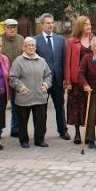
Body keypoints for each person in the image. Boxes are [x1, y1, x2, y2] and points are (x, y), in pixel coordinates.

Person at [9, 37, 52, 148]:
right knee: (23, 122)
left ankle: (40, 140)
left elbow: (48, 75)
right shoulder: (18, 61)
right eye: (28, 45)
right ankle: (24, 141)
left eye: (33, 45)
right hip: (24, 97)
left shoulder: (42, 61)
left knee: (41, 121)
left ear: (35, 47)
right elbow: (13, 78)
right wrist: (20, 86)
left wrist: (46, 84)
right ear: (24, 47)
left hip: (40, 96)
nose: (31, 47)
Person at [34, 13, 69, 141]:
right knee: (41, 108)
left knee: (60, 107)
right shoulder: (35, 40)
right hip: (43, 80)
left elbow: (64, 60)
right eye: (48, 23)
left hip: (58, 79)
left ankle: (63, 131)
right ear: (42, 25)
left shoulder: (60, 39)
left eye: (52, 23)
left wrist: (66, 78)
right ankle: (41, 134)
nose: (51, 25)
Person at [64, 16, 95, 144]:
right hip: (76, 80)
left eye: (90, 24)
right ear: (80, 26)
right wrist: (68, 82)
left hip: (90, 80)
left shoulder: (94, 40)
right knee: (76, 107)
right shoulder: (72, 42)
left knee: (89, 107)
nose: (89, 26)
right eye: (86, 24)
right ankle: (77, 133)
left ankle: (88, 135)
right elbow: (68, 63)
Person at [0, 18, 24, 138]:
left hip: (17, 78)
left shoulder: (21, 39)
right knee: (0, 106)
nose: (12, 29)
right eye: (10, 27)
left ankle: (15, 129)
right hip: (3, 78)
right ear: (5, 28)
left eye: (14, 27)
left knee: (16, 105)